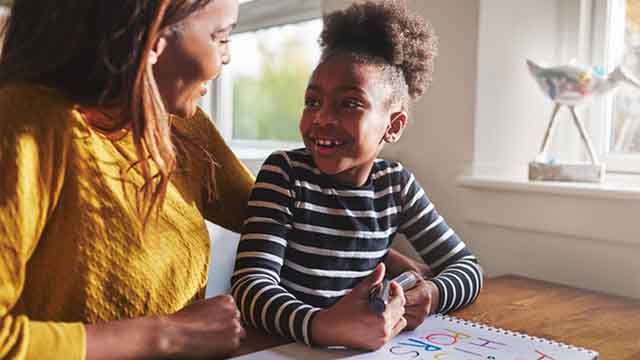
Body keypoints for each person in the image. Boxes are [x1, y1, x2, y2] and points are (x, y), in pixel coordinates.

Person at [0, 0, 255, 359]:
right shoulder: (24, 126)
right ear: (152, 39)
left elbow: (273, 216)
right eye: (221, 37)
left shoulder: (177, 123)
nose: (225, 58)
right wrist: (165, 335)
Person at [231, 0, 484, 351]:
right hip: (284, 347)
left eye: (348, 103)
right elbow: (251, 287)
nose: (321, 118)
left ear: (392, 126)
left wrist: (432, 293)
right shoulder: (285, 174)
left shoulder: (396, 186)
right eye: (312, 101)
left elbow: (468, 269)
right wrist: (321, 326)